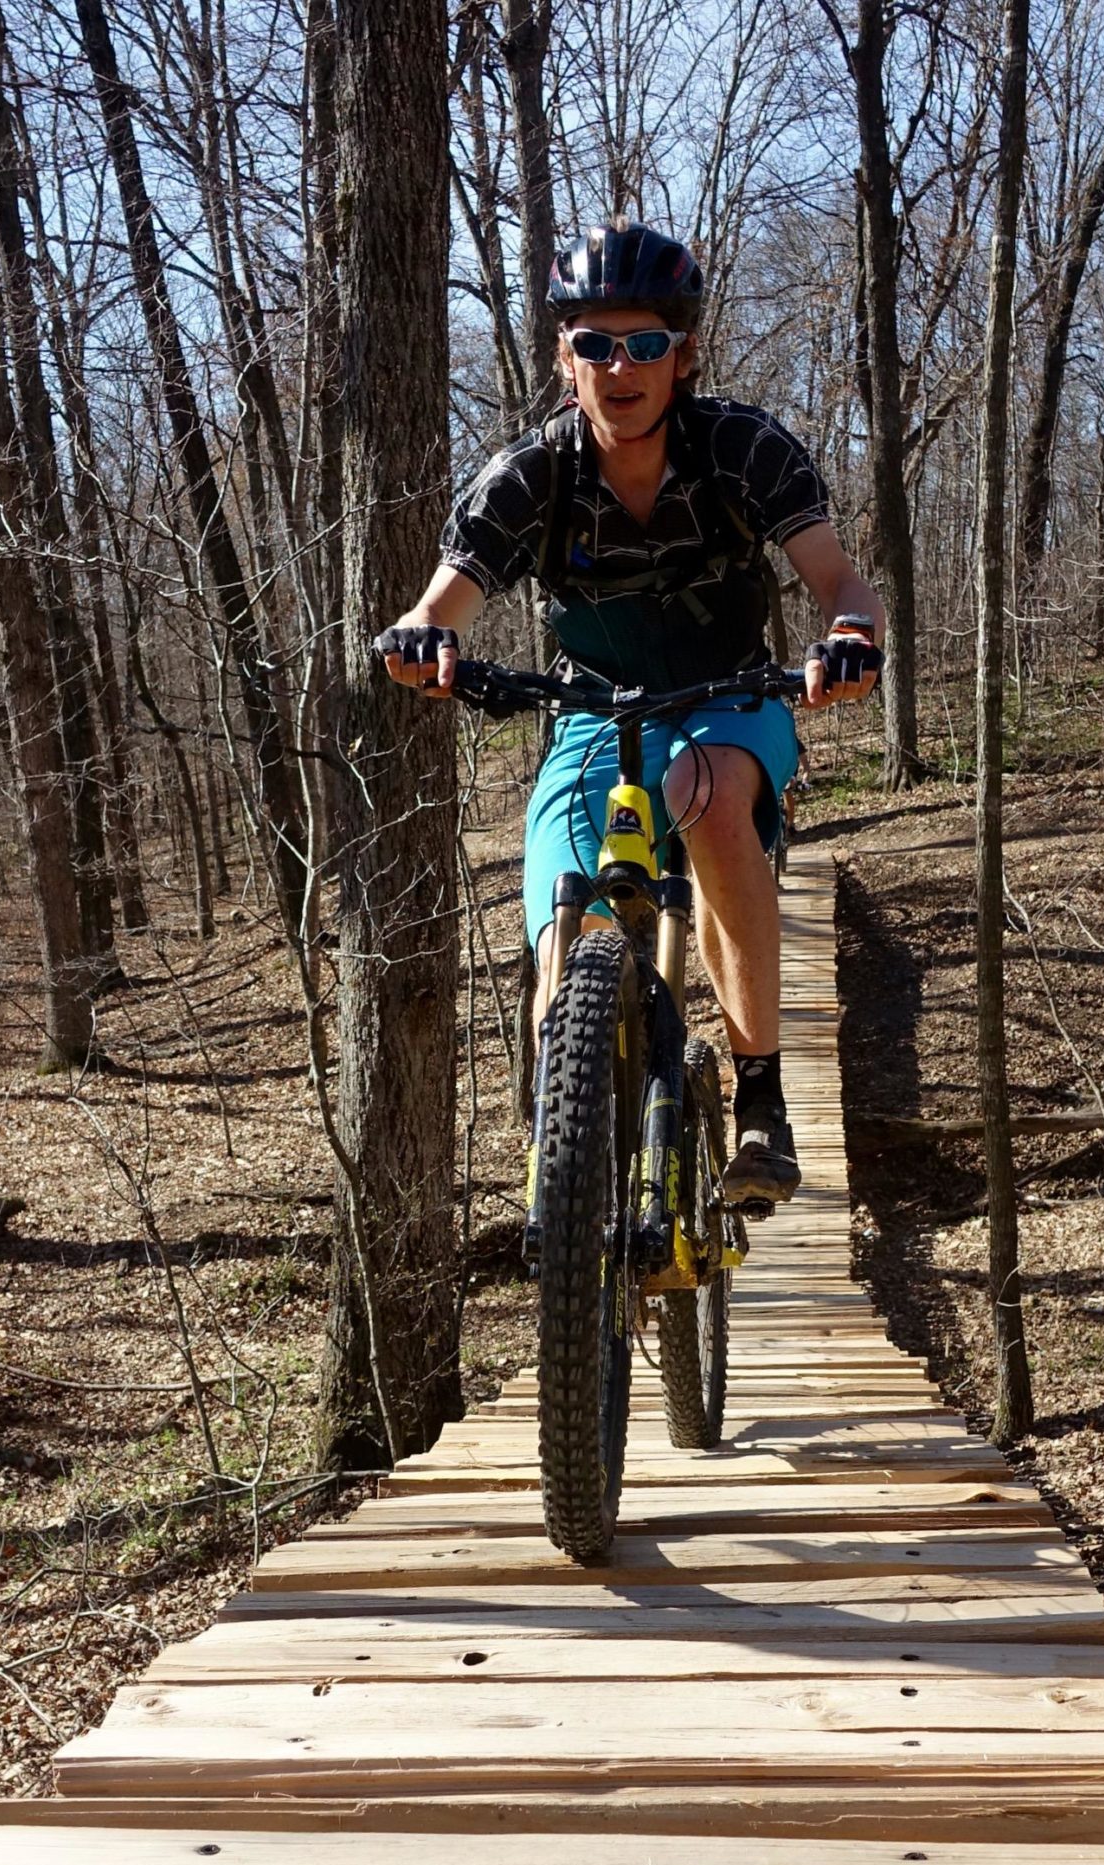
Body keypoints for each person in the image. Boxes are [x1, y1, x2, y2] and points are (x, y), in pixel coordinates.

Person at [376, 220, 882, 1208]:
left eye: (645, 343)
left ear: (681, 356)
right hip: (591, 712)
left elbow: (839, 582)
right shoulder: (531, 477)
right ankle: (571, 1188)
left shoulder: (741, 449)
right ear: (563, 358)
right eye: (595, 344)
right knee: (562, 926)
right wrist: (421, 640)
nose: (621, 367)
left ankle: (761, 1100)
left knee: (704, 796)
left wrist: (848, 639)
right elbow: (441, 604)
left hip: (729, 695)